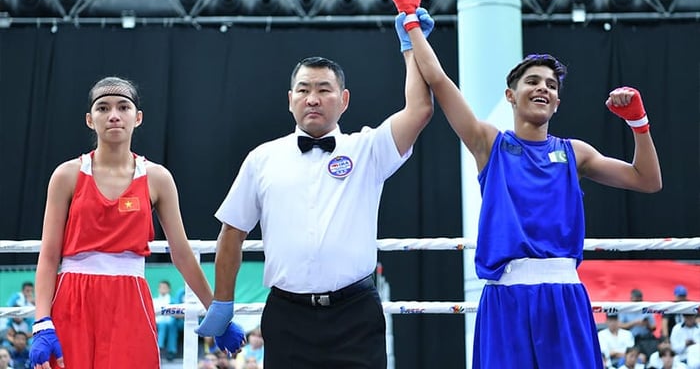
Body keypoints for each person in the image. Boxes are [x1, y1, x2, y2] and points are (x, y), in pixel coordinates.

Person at [391, 0, 663, 368]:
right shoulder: (490, 144)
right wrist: (410, 20)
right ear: (510, 96)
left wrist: (638, 123)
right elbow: (438, 80)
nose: (543, 88)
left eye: (551, 85)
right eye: (533, 81)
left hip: (564, 294)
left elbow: (648, 181)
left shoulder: (575, 154)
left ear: (557, 101)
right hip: (506, 296)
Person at [194, 38, 434, 366]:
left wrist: (412, 43)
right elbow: (232, 233)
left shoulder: (367, 149)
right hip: (287, 316)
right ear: (290, 99)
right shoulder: (262, 159)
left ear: (344, 99)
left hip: (356, 315)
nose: (313, 99)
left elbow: (420, 109)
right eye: (304, 89)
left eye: (324, 89)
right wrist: (222, 304)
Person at [29, 76, 245, 368]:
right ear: (90, 120)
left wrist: (215, 312)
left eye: (123, 107)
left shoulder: (157, 178)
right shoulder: (66, 175)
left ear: (138, 117)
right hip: (72, 298)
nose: (114, 115)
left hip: (130, 300)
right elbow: (49, 254)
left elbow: (181, 253)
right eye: (103, 108)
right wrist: (42, 322)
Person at [620, 289, 657, 357]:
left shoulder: (646, 309)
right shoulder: (625, 309)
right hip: (632, 339)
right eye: (635, 301)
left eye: (639, 301)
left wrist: (647, 324)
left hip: (647, 339)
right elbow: (620, 326)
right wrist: (634, 323)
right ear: (631, 299)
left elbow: (654, 327)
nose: (637, 303)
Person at [153, 280, 180, 361]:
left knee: (171, 324)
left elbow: (177, 313)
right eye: (161, 287)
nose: (163, 289)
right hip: (157, 322)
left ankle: (170, 351)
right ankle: (159, 348)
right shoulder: (154, 300)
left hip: (170, 321)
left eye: (165, 287)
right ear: (158, 289)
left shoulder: (173, 301)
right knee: (163, 324)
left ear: (169, 289)